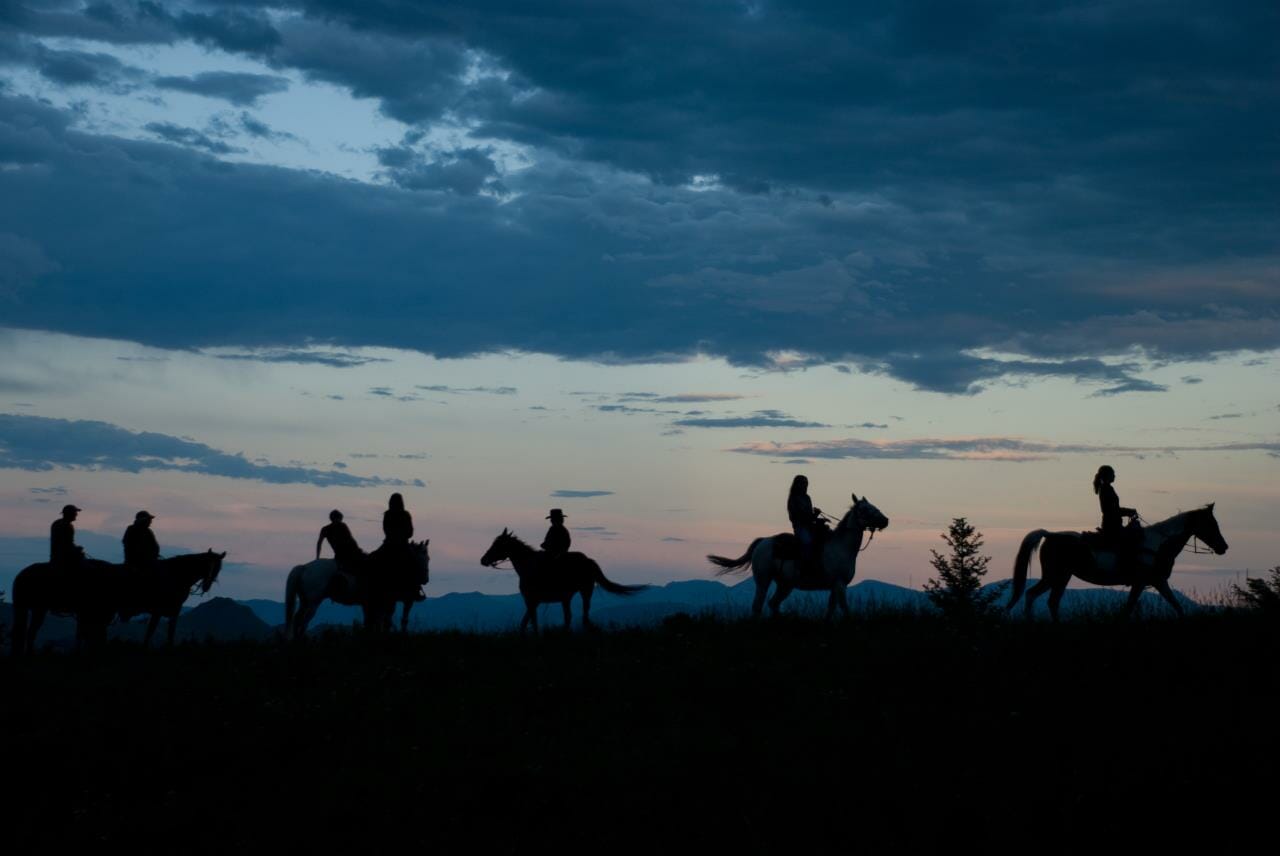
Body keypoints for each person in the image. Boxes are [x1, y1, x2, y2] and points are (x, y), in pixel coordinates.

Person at [1094, 465, 1141, 574]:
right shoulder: (1106, 489)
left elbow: (1113, 509)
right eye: (1113, 474)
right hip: (1111, 526)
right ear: (1108, 476)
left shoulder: (1106, 488)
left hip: (1113, 524)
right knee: (1129, 542)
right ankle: (1124, 568)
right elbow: (1111, 510)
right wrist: (1128, 511)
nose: (1115, 476)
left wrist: (1127, 511)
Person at [787, 475, 825, 572]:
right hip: (800, 527)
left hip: (809, 526)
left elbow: (809, 515)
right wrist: (814, 515)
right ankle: (804, 566)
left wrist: (816, 517)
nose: (805, 486)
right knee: (807, 542)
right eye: (803, 483)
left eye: (806, 484)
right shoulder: (793, 499)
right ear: (797, 485)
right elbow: (797, 516)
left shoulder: (807, 498)